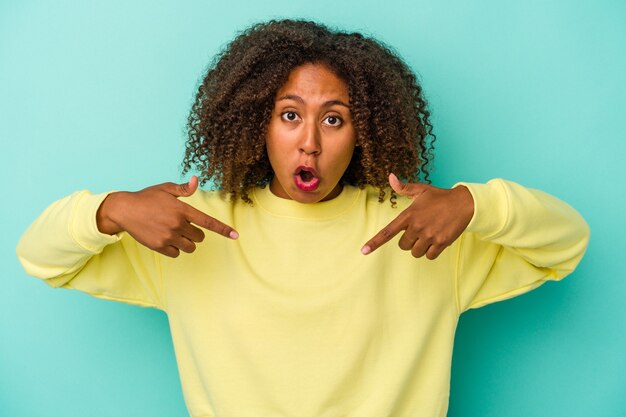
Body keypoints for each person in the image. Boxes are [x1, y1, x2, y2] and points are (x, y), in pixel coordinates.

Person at [16, 19, 589, 417]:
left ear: (365, 131)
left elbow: (568, 244)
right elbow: (39, 257)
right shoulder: (190, 230)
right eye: (290, 115)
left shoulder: (422, 230)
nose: (309, 142)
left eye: (334, 120)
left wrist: (473, 203)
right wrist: (111, 209)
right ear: (255, 123)